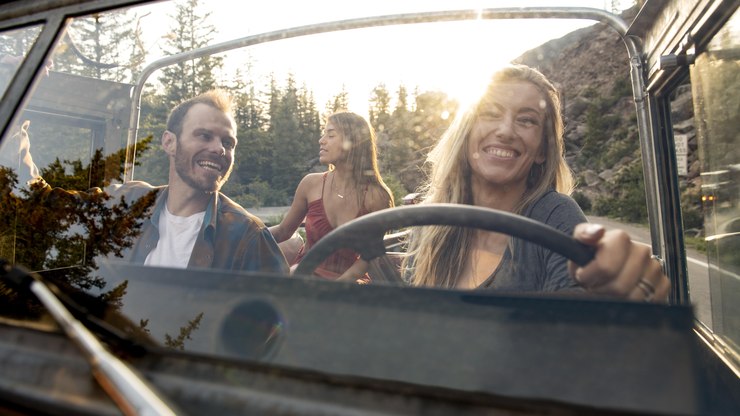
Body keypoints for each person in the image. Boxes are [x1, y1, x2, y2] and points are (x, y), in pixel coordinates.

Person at [402, 64, 670, 302]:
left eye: (526, 120)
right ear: (467, 133)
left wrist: (611, 290)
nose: (506, 131)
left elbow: (578, 318)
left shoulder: (554, 217)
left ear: (542, 150)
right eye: (491, 114)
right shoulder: (430, 224)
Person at [8, 89, 289, 274]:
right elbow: (35, 201)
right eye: (204, 136)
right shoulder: (128, 204)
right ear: (169, 142)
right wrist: (12, 108)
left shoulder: (247, 238)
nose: (219, 149)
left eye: (228, 142)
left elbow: (277, 335)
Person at [270, 111, 394, 282]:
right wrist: (247, 235)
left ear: (353, 143)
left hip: (349, 284)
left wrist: (336, 288)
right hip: (303, 276)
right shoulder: (310, 184)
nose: (321, 140)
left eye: (330, 135)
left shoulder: (377, 196)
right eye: (323, 134)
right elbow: (283, 231)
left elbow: (369, 257)